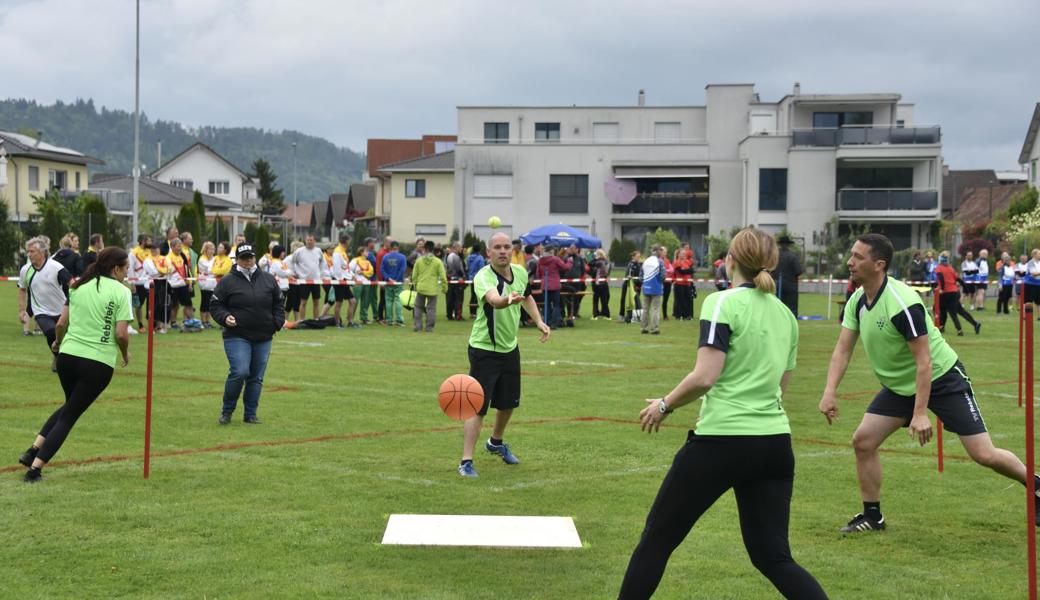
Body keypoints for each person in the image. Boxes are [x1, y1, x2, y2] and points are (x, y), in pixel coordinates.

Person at [619, 228, 828, 600]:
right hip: (775, 445)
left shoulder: (721, 303)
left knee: (657, 541)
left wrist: (664, 405)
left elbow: (705, 376)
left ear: (729, 260)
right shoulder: (786, 316)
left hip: (722, 442)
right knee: (774, 557)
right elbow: (780, 388)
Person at [818, 234, 1037, 534]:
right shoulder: (857, 300)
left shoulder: (902, 303)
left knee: (983, 454)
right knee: (863, 441)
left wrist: (920, 413)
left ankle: (1034, 484)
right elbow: (843, 350)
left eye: (858, 257)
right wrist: (829, 392)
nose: (850, 262)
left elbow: (925, 362)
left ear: (879, 264)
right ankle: (873, 517)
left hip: (942, 379)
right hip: (900, 387)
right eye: (852, 255)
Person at [18, 247, 133, 483]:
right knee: (70, 416)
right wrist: (125, 353)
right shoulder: (121, 292)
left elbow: (60, 323)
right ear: (115, 269)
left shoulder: (78, 286)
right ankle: (35, 469)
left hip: (67, 357)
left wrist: (58, 345)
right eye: (126, 269)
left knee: (69, 406)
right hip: (97, 363)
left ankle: (33, 449)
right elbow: (121, 335)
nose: (127, 273)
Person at [458, 232, 551, 478]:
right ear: (489, 253)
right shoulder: (483, 276)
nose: (502, 251)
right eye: (497, 247)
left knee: (509, 403)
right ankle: (466, 461)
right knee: (477, 407)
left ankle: (496, 442)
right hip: (484, 350)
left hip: (510, 348)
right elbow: (494, 300)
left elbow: (528, 296)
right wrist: (507, 300)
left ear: (513, 250)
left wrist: (539, 321)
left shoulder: (520, 272)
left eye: (506, 247)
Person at [209, 244, 285, 424]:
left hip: (263, 335)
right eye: (244, 257)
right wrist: (225, 317)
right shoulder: (227, 281)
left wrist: (277, 322)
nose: (248, 261)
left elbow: (279, 303)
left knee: (256, 376)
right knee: (240, 371)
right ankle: (227, 411)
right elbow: (215, 305)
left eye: (251, 257)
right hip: (237, 335)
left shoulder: (268, 279)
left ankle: (250, 414)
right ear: (237, 260)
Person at [18, 237, 71, 367]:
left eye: (32, 251)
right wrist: (22, 310)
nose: (29, 254)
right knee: (50, 332)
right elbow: (22, 290)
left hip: (61, 309)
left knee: (68, 337)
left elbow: (72, 284)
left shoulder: (56, 267)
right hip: (41, 311)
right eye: (28, 252)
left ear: (42, 252)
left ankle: (63, 357)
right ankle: (57, 357)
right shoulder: (25, 270)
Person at [934, 251, 980, 336]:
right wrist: (966, 289)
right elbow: (959, 279)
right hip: (954, 292)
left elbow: (941, 278)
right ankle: (975, 324)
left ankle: (959, 330)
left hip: (945, 293)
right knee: (958, 311)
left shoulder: (939, 268)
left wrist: (942, 288)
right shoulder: (950, 268)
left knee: (948, 312)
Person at [411, 240, 447, 332]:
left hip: (421, 288)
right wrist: (444, 288)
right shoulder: (438, 262)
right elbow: (443, 276)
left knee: (418, 307)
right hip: (432, 289)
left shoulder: (418, 261)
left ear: (424, 249)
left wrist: (415, 285)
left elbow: (414, 275)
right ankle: (429, 327)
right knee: (431, 309)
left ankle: (418, 327)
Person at [290, 234, 328, 320]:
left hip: (316, 281)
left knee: (316, 302)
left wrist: (323, 275)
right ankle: (302, 321)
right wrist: (294, 272)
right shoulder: (299, 251)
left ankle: (316, 320)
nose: (309, 242)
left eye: (311, 240)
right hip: (304, 281)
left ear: (314, 241)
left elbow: (323, 264)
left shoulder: (318, 251)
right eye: (308, 240)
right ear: (305, 241)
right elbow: (292, 262)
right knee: (303, 302)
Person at [537, 244, 571, 329]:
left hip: (545, 285)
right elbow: (565, 267)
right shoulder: (555, 259)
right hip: (555, 284)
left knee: (547, 305)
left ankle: (546, 323)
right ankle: (554, 324)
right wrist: (570, 262)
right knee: (556, 305)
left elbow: (538, 273)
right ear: (552, 251)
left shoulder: (540, 260)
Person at [330, 234, 358, 328]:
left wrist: (352, 276)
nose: (350, 243)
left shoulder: (343, 251)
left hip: (345, 280)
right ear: (346, 241)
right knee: (339, 302)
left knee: (352, 301)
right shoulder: (337, 251)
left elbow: (345, 268)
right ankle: (337, 323)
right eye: (349, 241)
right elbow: (337, 267)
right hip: (339, 280)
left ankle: (350, 322)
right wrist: (340, 280)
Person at [771, 234, 802, 316]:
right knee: (791, 308)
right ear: (788, 244)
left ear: (780, 244)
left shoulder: (774, 256)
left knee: (777, 305)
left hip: (777, 285)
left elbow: (770, 270)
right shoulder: (792, 256)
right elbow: (798, 271)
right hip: (791, 287)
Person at [380, 241, 407, 326]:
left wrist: (389, 278)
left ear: (390, 248)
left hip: (388, 283)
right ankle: (399, 320)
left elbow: (382, 270)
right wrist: (396, 279)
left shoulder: (385, 257)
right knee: (398, 300)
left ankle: (389, 320)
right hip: (398, 283)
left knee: (388, 301)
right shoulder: (402, 257)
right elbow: (403, 269)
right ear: (398, 248)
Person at [129, 234, 152, 330]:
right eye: (149, 240)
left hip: (150, 282)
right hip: (139, 283)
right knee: (138, 305)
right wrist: (132, 283)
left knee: (151, 305)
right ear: (143, 241)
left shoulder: (150, 252)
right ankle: (140, 324)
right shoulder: (133, 253)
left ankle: (151, 324)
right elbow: (130, 268)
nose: (151, 242)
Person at [197, 241, 220, 328]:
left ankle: (208, 321)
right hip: (205, 283)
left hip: (213, 283)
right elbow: (210, 269)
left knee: (211, 303)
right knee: (205, 302)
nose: (212, 251)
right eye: (210, 249)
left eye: (213, 249)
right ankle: (203, 321)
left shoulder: (214, 258)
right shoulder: (202, 259)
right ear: (206, 250)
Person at [445, 241, 466, 321]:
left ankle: (449, 314)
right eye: (460, 247)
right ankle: (458, 314)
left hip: (451, 279)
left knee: (450, 298)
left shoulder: (449, 256)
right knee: (458, 298)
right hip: (457, 280)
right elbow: (458, 269)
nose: (461, 249)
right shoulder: (456, 257)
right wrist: (463, 276)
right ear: (456, 247)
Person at [588, 249, 611, 320]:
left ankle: (595, 315)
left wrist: (595, 258)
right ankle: (606, 315)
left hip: (597, 283)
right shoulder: (607, 262)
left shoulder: (599, 262)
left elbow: (589, 263)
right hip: (604, 282)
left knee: (596, 299)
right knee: (605, 299)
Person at [672, 248, 695, 320]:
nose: (684, 254)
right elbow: (681, 271)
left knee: (688, 299)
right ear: (678, 254)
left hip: (687, 283)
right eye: (682, 253)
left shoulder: (687, 262)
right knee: (680, 300)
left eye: (684, 253)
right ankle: (678, 315)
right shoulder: (676, 262)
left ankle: (687, 315)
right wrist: (687, 271)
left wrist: (687, 271)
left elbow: (692, 270)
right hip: (679, 284)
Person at [621, 250, 643, 323]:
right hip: (630, 286)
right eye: (637, 256)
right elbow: (629, 276)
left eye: (639, 256)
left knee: (636, 302)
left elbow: (639, 275)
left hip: (637, 285)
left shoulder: (638, 264)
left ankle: (635, 316)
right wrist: (634, 284)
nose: (639, 258)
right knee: (633, 302)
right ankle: (628, 317)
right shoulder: (631, 265)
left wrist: (640, 283)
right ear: (633, 257)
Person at [466, 242, 486, 318]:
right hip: (478, 279)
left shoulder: (468, 257)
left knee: (472, 295)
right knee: (477, 295)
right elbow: (482, 269)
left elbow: (468, 267)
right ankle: (475, 312)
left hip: (471, 278)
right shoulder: (480, 258)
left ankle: (472, 312)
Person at [1025, 249, 1040, 316]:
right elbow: (1033, 273)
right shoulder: (1030, 262)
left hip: (1038, 284)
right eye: (1039, 253)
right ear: (1034, 255)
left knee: (1038, 302)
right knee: (1028, 302)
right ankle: (1027, 316)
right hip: (1030, 284)